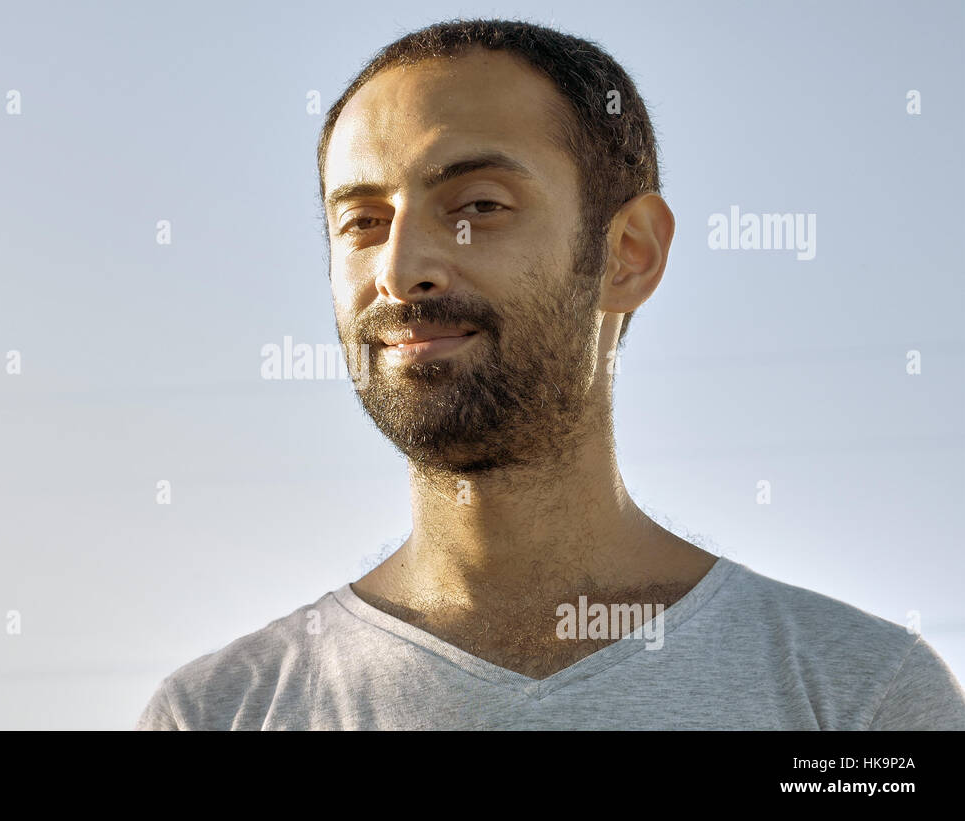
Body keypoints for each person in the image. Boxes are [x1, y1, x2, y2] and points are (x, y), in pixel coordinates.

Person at [135, 18, 965, 730]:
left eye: (477, 206)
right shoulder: (220, 713)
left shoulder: (857, 701)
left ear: (628, 254)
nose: (401, 267)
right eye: (362, 220)